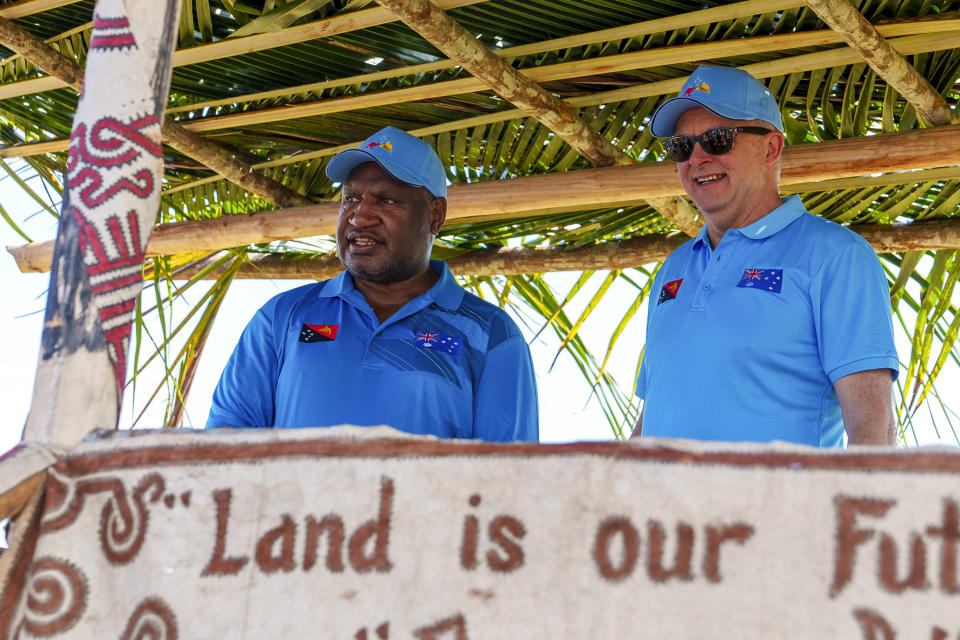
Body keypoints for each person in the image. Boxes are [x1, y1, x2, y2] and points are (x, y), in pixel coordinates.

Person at [207, 126, 538, 441]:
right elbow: (224, 446)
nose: (359, 217)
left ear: (435, 215)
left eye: (386, 201)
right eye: (350, 199)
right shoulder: (282, 318)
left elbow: (512, 476)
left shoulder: (491, 334)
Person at [631, 66, 898, 447]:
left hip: (784, 507)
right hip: (657, 506)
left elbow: (874, 430)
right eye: (681, 146)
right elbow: (652, 416)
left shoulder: (836, 256)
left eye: (717, 139)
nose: (697, 158)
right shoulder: (673, 268)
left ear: (770, 147)